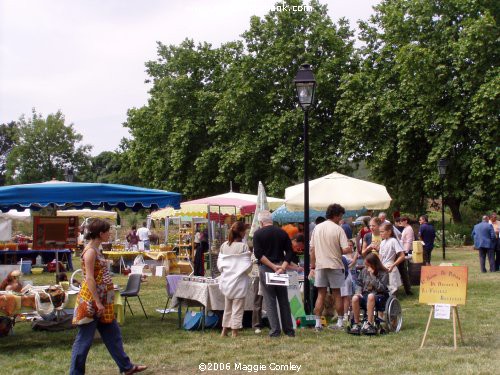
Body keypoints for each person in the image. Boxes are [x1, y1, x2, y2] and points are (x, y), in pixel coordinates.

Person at [70, 219, 146, 375]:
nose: (110, 233)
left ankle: (127, 367)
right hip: (92, 301)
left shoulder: (96, 250)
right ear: (100, 233)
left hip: (105, 298)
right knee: (84, 340)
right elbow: (90, 278)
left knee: (113, 335)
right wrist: (97, 302)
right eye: (108, 231)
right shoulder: (90, 251)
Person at [253, 210, 295, 337]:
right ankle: (289, 330)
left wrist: (272, 266)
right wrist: (282, 267)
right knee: (283, 299)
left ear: (261, 222)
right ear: (271, 220)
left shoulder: (258, 234)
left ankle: (275, 330)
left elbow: (258, 254)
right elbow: (289, 251)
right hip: (281, 267)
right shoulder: (282, 232)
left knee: (270, 300)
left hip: (266, 268)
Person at [310, 203, 350, 332]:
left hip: (320, 265)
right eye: (340, 216)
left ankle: (317, 324)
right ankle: (339, 323)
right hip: (335, 265)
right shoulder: (338, 229)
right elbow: (345, 249)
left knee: (320, 294)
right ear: (336, 215)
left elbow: (312, 249)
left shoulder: (317, 228)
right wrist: (347, 249)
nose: (341, 219)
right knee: (337, 293)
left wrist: (312, 266)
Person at [217, 221, 252, 338]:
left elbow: (220, 265)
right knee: (237, 308)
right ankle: (234, 332)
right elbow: (247, 267)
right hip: (239, 282)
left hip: (226, 281)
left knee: (227, 307)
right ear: (242, 232)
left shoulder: (224, 246)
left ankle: (224, 330)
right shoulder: (243, 247)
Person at [350, 253, 389, 335]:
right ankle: (356, 324)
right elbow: (358, 283)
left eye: (368, 265)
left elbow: (381, 288)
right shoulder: (364, 271)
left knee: (371, 296)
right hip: (365, 294)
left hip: (379, 295)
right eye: (366, 265)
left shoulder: (384, 272)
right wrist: (358, 292)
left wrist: (373, 276)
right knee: (355, 298)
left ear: (374, 264)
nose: (366, 267)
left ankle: (369, 324)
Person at [378, 223, 405, 294]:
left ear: (389, 231)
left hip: (390, 266)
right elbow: (380, 257)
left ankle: (393, 302)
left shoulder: (393, 241)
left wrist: (393, 265)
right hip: (382, 267)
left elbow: (402, 256)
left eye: (382, 231)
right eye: (380, 232)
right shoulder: (382, 242)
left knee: (392, 289)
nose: (380, 233)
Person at [398, 216, 414, 295]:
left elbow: (409, 241)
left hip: (406, 249)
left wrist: (406, 251)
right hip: (404, 249)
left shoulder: (409, 229)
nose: (400, 223)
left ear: (406, 221)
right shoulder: (406, 228)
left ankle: (408, 287)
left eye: (401, 221)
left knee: (405, 268)